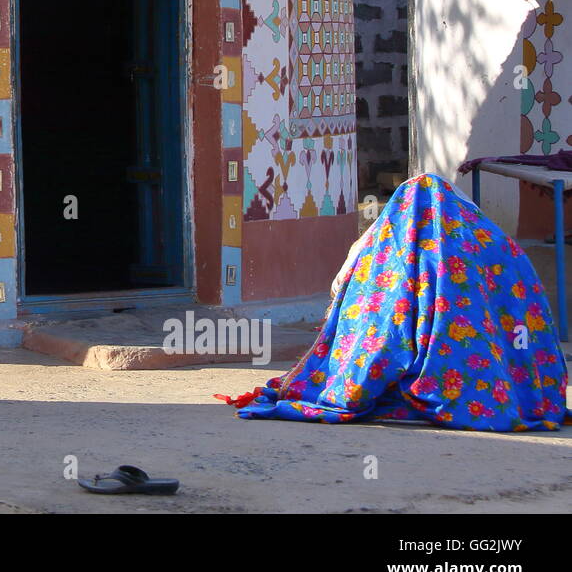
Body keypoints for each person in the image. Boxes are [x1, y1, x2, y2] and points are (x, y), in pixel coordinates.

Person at [221, 173, 568, 431]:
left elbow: (374, 322)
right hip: (496, 383)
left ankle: (412, 385)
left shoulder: (387, 252)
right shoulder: (494, 245)